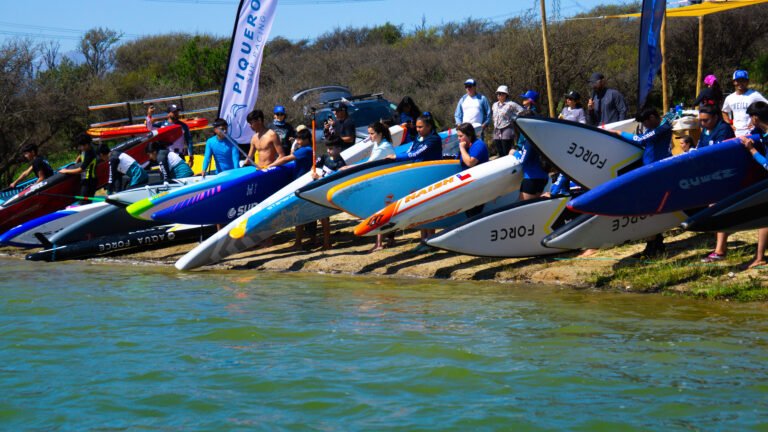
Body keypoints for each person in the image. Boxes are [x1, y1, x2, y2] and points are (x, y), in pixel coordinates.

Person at [613, 108, 673, 256]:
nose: (645, 126)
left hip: (656, 172)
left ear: (652, 117)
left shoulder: (663, 127)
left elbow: (640, 139)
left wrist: (620, 133)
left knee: (652, 209)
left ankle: (654, 245)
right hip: (651, 170)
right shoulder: (658, 127)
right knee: (652, 209)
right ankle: (655, 243)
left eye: (646, 122)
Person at [268, 128, 318, 250]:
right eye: (297, 138)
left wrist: (269, 166)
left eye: (300, 139)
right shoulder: (306, 149)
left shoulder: (306, 150)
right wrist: (295, 144)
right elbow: (292, 152)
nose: (298, 140)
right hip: (303, 182)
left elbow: (286, 158)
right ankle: (310, 240)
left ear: (306, 139)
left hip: (303, 183)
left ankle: (299, 242)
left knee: (300, 214)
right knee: (306, 214)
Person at [737, 101, 768, 268]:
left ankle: (759, 258)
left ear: (755, 118)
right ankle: (759, 257)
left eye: (750, 117)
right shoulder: (762, 131)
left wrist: (752, 150)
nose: (749, 121)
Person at [361, 121, 398, 251]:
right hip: (380, 182)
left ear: (380, 134)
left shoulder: (384, 146)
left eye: (372, 134)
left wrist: (349, 167)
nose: (369, 136)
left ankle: (380, 243)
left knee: (382, 211)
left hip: (387, 182)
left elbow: (370, 163)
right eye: (369, 134)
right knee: (379, 211)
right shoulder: (377, 144)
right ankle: (382, 242)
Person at [515, 110, 550, 201]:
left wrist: (515, 153)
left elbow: (523, 160)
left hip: (531, 179)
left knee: (522, 212)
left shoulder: (530, 138)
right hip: (543, 177)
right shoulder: (542, 135)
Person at [722, 69, 768, 137]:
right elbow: (724, 112)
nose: (740, 83)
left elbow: (766, 105)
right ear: (734, 82)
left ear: (747, 82)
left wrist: (757, 121)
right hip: (736, 133)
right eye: (738, 81)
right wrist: (730, 125)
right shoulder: (729, 98)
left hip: (752, 132)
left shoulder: (754, 94)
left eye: (743, 80)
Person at [59, 133, 99, 198]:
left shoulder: (90, 154)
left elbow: (80, 170)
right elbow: (80, 155)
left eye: (81, 146)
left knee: (84, 202)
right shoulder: (84, 149)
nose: (80, 148)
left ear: (87, 145)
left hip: (90, 181)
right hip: (84, 179)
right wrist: (76, 162)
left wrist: (66, 171)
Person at [492, 85, 522, 157]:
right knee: (499, 150)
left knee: (506, 150)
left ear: (506, 94)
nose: (499, 95)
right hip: (496, 129)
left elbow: (522, 111)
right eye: (498, 93)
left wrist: (514, 118)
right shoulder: (494, 105)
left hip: (507, 128)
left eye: (501, 93)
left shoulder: (511, 104)